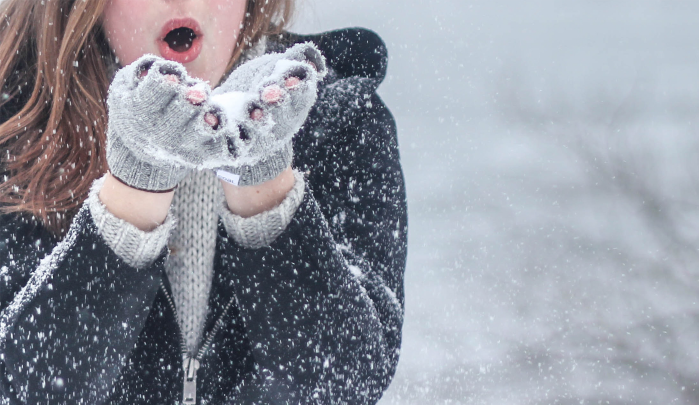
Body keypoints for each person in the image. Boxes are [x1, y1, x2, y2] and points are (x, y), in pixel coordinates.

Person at [0, 0, 407, 403]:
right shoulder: (16, 132)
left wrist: (262, 181)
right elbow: (29, 388)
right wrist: (135, 189)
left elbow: (346, 380)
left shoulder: (343, 121)